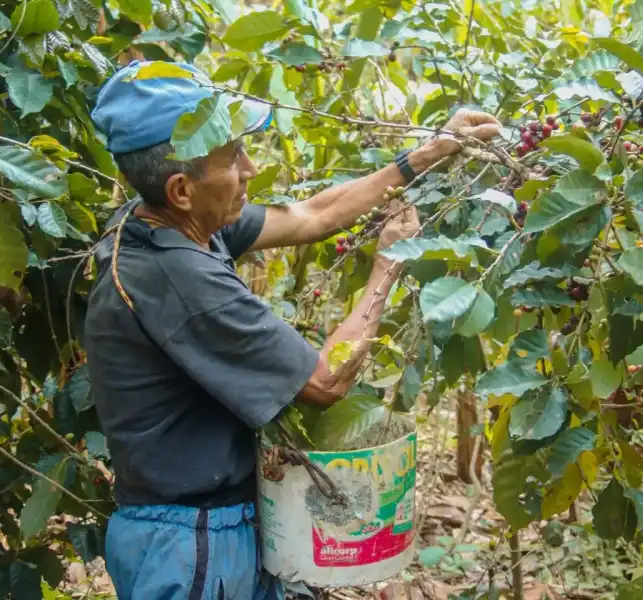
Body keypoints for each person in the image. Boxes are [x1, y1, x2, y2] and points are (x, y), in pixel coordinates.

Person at [84, 60, 501, 600]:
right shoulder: (182, 281)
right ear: (183, 189)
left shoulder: (158, 222)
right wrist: (389, 265)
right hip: (190, 545)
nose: (250, 167)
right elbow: (326, 381)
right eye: (233, 156)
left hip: (215, 526)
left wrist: (421, 156)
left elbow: (312, 216)